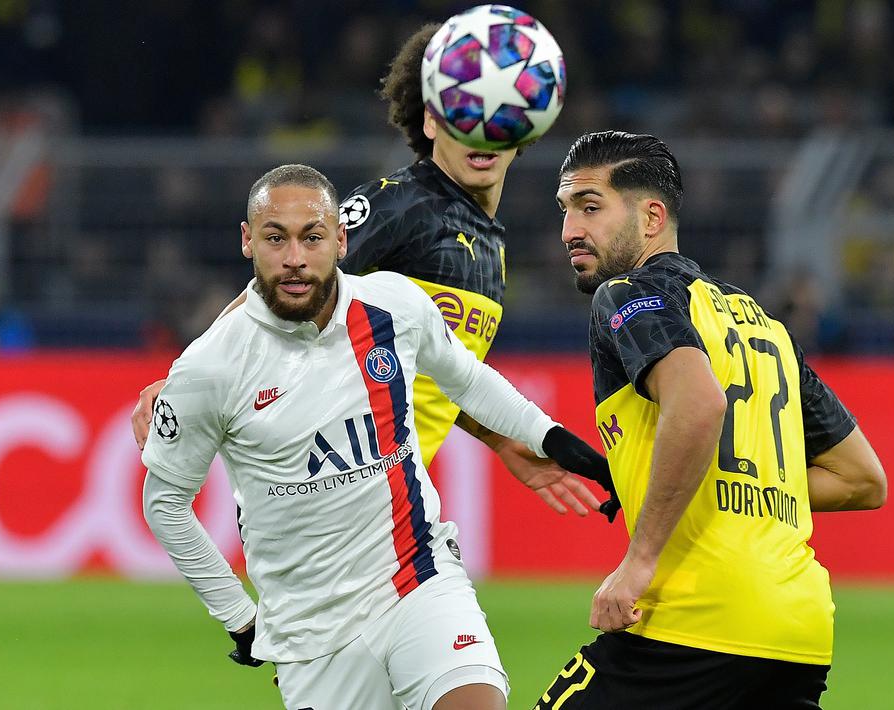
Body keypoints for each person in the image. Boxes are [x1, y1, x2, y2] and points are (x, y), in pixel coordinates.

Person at [142, 164, 612, 710]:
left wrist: (551, 437)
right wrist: (240, 619)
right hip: (311, 633)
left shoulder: (393, 304)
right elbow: (165, 503)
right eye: (276, 238)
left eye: (312, 237)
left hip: (417, 579)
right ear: (248, 241)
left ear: (341, 238)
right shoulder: (211, 367)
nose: (295, 258)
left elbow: (467, 379)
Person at [132, 23, 611, 519]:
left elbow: (425, 368)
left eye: (497, 121)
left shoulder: (490, 246)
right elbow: (273, 285)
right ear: (429, 122)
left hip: (384, 505)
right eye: (462, 115)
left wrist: (501, 439)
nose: (480, 134)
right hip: (326, 497)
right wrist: (184, 376)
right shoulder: (398, 203)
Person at [536, 131, 888, 709]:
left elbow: (698, 404)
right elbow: (862, 479)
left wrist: (638, 560)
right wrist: (688, 483)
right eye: (566, 209)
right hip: (797, 631)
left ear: (653, 218)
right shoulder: (765, 326)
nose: (569, 230)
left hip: (695, 620)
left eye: (590, 207)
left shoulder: (628, 293)